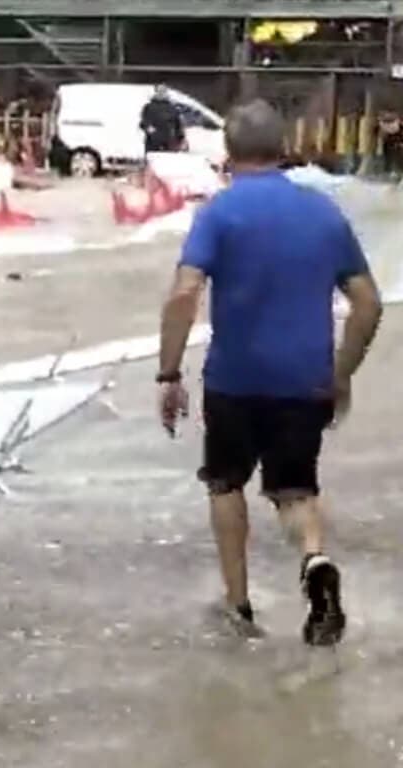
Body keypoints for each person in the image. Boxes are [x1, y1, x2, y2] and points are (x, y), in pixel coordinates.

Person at [157, 99, 383, 646]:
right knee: (295, 490)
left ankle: (238, 606)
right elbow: (368, 304)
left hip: (235, 379)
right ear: (284, 148)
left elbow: (185, 293)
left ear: (228, 152)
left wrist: (169, 373)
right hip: (305, 379)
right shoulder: (324, 213)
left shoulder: (219, 212)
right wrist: (342, 372)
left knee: (226, 483)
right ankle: (315, 561)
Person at [140, 84, 185, 154]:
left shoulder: (172, 108)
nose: (161, 93)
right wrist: (149, 129)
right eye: (159, 91)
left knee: (164, 160)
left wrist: (180, 138)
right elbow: (144, 123)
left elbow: (178, 125)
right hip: (156, 141)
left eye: (163, 91)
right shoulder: (149, 107)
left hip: (166, 141)